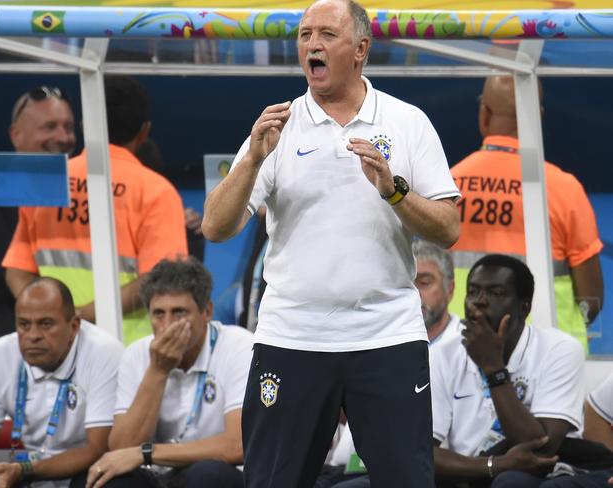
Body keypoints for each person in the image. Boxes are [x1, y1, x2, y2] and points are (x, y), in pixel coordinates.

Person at [201, 0, 461, 486]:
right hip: (291, 339)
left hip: (387, 338)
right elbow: (216, 227)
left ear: (360, 49)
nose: (311, 45)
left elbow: (448, 229)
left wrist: (393, 189)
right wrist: (253, 160)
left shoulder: (407, 123)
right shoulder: (277, 127)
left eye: (326, 34)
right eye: (304, 35)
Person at [3, 76, 189, 345]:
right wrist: (81, 316)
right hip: (124, 348)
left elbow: (16, 271)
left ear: (85, 124)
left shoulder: (48, 184)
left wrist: (54, 316)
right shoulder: (156, 191)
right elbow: (161, 280)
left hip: (54, 345)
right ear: (144, 131)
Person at [449, 75, 604, 351]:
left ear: (484, 113)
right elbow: (592, 298)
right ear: (538, 115)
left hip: (461, 346)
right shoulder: (564, 188)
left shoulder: (449, 185)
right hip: (547, 354)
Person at [82, 258, 252, 488]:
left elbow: (238, 445)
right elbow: (122, 448)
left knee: (205, 474)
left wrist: (148, 453)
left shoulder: (238, 345)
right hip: (158, 473)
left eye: (179, 312)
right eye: (159, 314)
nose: (168, 325)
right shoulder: (137, 354)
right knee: (113, 480)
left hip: (218, 472)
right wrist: (158, 370)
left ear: (207, 312)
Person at [431, 254, 584, 488]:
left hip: (536, 478)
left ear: (524, 308)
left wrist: (493, 368)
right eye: (473, 291)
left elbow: (541, 449)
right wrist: (495, 465)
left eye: (496, 293)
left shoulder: (560, 350)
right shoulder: (443, 354)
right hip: (468, 474)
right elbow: (420, 452)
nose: (479, 302)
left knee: (512, 483)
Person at [319, 241, 464, 487]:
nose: (414, 293)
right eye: (405, 283)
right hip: (343, 466)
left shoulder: (463, 349)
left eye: (425, 282)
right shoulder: (370, 337)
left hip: (410, 470)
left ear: (450, 290)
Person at [0, 277, 123, 488]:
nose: (33, 336)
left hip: (88, 472)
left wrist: (23, 471)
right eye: (24, 324)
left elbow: (98, 448)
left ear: (74, 326)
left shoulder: (103, 352)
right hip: (24, 474)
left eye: (46, 324)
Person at [0, 86, 76, 345]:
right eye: (50, 127)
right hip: (1, 340)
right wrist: (42, 287)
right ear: (16, 135)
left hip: (76, 340)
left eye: (68, 127)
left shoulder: (90, 191)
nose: (63, 137)